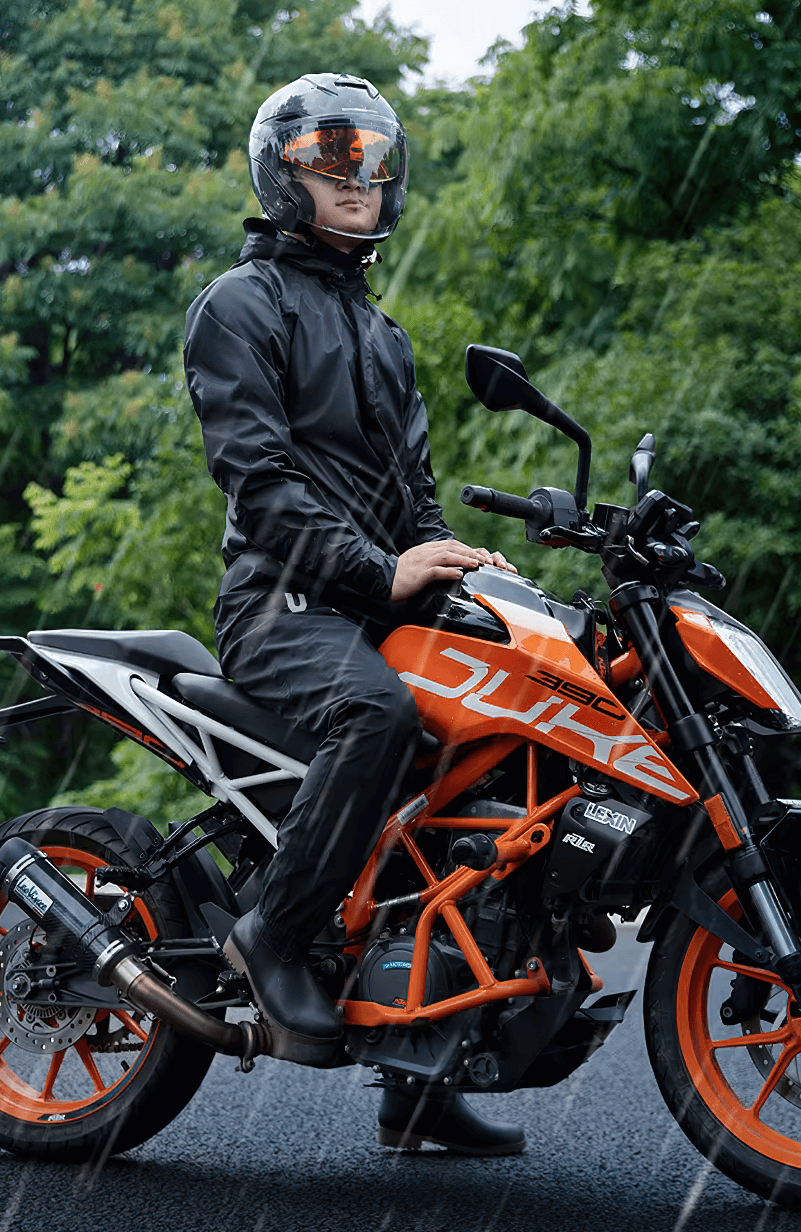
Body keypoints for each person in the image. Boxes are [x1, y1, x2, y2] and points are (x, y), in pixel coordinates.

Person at [184, 73, 524, 1155]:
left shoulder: (381, 333)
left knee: (501, 759)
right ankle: (271, 934)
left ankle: (420, 1073)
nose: (356, 180)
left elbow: (414, 498)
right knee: (377, 716)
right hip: (279, 601)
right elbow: (260, 481)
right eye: (331, 158)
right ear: (282, 172)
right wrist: (378, 574)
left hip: (374, 593)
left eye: (372, 159)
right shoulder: (239, 306)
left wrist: (466, 575)